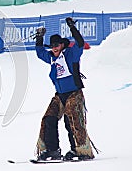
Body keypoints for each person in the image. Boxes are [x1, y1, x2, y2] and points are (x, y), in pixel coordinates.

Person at [33, 17, 95, 161]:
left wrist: (72, 28)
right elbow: (39, 52)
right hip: (60, 95)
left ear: (62, 45)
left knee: (71, 121)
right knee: (49, 118)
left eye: (57, 45)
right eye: (52, 46)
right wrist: (39, 37)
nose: (54, 48)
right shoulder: (51, 57)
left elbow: (80, 43)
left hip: (74, 93)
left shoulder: (70, 55)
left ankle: (80, 151)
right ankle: (52, 150)